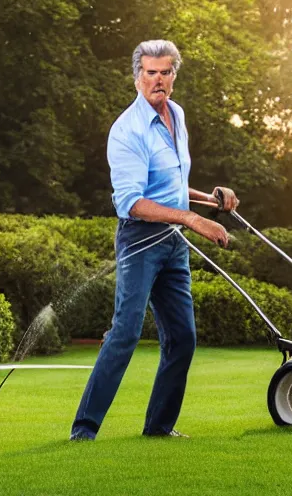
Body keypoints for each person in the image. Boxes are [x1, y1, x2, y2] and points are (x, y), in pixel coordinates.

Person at [70, 39, 239, 441]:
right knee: (125, 332)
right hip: (140, 241)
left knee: (182, 337)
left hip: (174, 243)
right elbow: (130, 202)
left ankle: (159, 427)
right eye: (150, 73)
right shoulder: (126, 131)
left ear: (174, 76)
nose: (158, 80)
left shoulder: (176, 115)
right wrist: (192, 219)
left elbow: (172, 185)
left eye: (165, 72)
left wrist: (209, 199)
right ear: (137, 77)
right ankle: (84, 429)